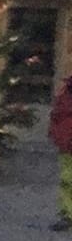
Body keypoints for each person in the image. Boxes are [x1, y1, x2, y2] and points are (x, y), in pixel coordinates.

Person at [51, 75, 72, 231]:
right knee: (67, 179)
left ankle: (67, 214)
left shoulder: (65, 93)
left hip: (66, 143)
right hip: (67, 144)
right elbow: (57, 116)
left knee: (67, 179)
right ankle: (67, 214)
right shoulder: (66, 93)